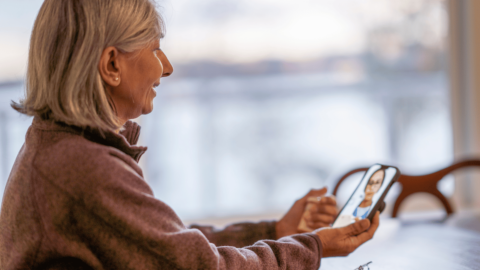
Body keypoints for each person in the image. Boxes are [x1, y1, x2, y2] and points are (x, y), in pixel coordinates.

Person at [0, 0, 379, 269]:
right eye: (156, 49)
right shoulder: (82, 167)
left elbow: (168, 244)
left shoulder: (59, 147)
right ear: (112, 64)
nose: (166, 67)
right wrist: (312, 248)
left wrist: (275, 230)